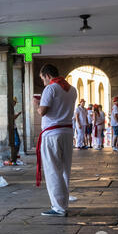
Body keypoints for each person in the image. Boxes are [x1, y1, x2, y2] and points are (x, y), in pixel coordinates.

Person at [34, 64, 77, 217]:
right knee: (65, 169)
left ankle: (58, 207)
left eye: (42, 78)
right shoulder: (72, 89)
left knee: (53, 170)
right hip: (67, 132)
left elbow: (43, 112)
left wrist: (37, 103)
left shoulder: (50, 89)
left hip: (52, 133)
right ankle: (63, 204)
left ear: (47, 75)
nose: (43, 82)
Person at [13, 97, 22, 163]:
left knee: (17, 142)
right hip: (13, 128)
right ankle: (14, 155)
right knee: (17, 142)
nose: (15, 104)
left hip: (14, 127)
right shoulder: (9, 109)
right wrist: (18, 114)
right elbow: (12, 118)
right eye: (15, 102)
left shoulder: (11, 109)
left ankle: (14, 155)